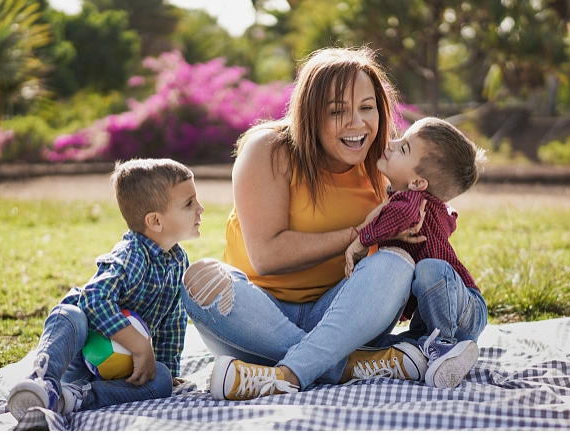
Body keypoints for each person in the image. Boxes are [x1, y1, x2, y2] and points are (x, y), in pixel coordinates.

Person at [182, 46, 438, 403]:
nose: (356, 123)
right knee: (199, 278)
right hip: (256, 320)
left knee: (396, 264)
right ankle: (344, 366)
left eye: (367, 108)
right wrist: (359, 234)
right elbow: (266, 256)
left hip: (339, 316)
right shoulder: (269, 149)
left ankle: (286, 373)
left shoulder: (384, 165)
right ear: (310, 114)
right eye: (337, 111)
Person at [7, 158, 204, 421]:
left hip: (118, 370)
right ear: (155, 221)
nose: (201, 209)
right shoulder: (132, 255)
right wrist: (140, 347)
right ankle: (44, 381)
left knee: (163, 381)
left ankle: (75, 397)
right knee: (69, 314)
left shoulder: (177, 261)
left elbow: (172, 323)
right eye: (189, 203)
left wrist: (163, 367)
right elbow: (94, 299)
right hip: (79, 356)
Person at [345, 116, 489, 388]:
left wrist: (359, 242)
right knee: (386, 346)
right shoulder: (408, 197)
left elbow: (402, 214)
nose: (391, 143)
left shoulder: (412, 202)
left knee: (429, 269)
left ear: (418, 184)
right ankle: (443, 352)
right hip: (432, 319)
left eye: (403, 148)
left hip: (465, 309)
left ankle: (444, 348)